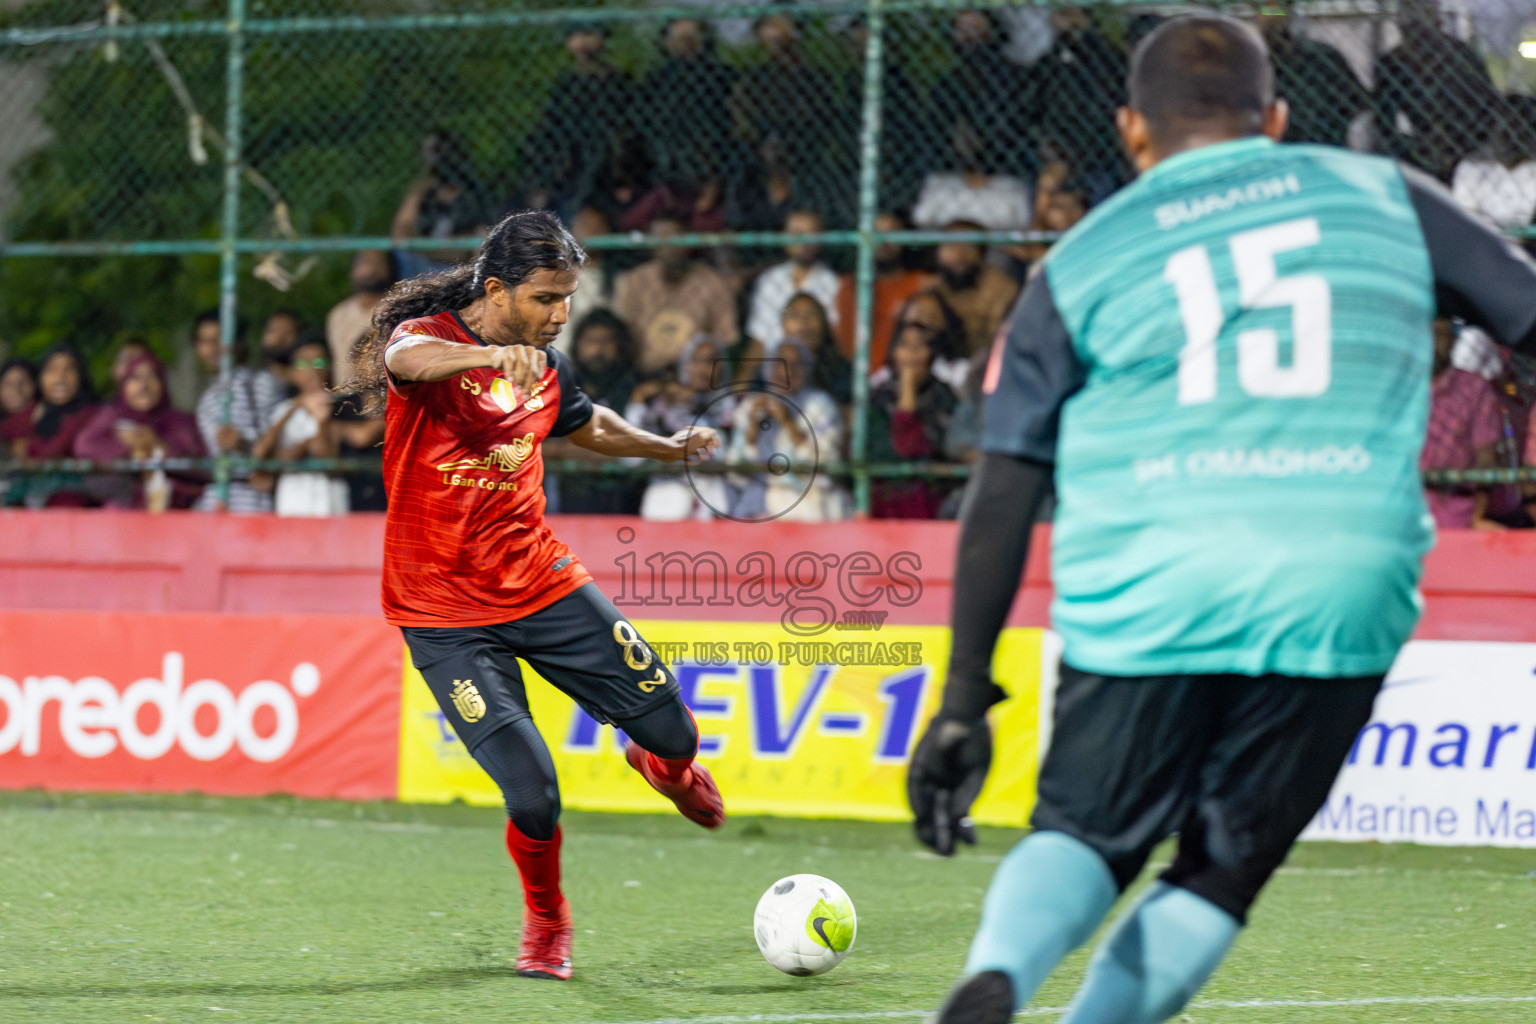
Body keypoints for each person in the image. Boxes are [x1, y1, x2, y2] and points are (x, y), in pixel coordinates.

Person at [908, 16, 1536, 1024]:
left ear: (1130, 131)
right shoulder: (1388, 197)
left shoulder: (1078, 263)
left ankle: (998, 975)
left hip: (1153, 587)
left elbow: (1004, 488)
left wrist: (961, 699)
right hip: (1341, 584)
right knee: (1216, 873)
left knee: (1083, 835)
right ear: (1276, 119)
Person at [344, 210, 725, 982]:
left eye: (568, 300)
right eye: (546, 298)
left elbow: (586, 426)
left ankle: (663, 767)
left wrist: (665, 446)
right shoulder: (428, 340)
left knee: (675, 734)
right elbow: (411, 357)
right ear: (496, 290)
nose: (560, 315)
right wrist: (481, 360)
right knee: (533, 794)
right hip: (444, 616)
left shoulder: (546, 364)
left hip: (542, 585)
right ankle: (548, 921)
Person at [726, 337, 849, 521]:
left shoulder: (820, 405)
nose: (787, 370)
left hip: (810, 499)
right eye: (779, 362)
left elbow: (826, 472)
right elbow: (735, 474)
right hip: (759, 499)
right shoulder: (751, 405)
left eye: (797, 364)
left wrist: (788, 423)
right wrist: (751, 432)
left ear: (806, 370)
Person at [522, 22, 635, 219]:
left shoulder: (619, 83)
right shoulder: (566, 86)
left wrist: (623, 177)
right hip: (571, 170)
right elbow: (549, 132)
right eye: (576, 36)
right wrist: (543, 182)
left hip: (606, 170)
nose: (582, 42)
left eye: (588, 34)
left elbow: (628, 132)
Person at [74, 351, 206, 510]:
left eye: (152, 377)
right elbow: (83, 446)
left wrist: (159, 446)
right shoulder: (112, 417)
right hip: (120, 513)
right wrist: (130, 448)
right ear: (124, 386)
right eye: (135, 378)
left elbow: (202, 472)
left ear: (162, 383)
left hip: (175, 513)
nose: (144, 386)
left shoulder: (181, 423)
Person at [611, 212, 739, 376]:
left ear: (689, 240)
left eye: (676, 237)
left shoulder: (712, 283)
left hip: (696, 377)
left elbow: (726, 340)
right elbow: (620, 337)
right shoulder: (634, 282)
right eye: (661, 238)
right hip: (641, 373)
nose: (669, 246)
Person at [545, 310, 644, 515]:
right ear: (578, 345)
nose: (599, 349)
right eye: (591, 341)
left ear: (620, 346)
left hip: (622, 495)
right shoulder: (561, 385)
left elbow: (634, 451)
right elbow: (539, 447)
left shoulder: (634, 388)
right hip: (569, 492)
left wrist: (571, 449)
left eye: (607, 341)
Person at [627, 334, 736, 520]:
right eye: (696, 361)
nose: (703, 368)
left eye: (711, 362)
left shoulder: (731, 407)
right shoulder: (662, 405)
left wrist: (694, 405)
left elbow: (724, 454)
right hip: (666, 487)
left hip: (712, 490)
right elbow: (631, 457)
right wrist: (639, 400)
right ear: (685, 365)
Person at [867, 308, 959, 519]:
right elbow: (882, 451)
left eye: (919, 347)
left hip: (930, 496)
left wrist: (908, 393)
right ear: (893, 353)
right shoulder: (878, 398)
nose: (910, 356)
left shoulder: (943, 397)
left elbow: (916, 449)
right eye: (904, 346)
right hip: (886, 495)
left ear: (931, 354)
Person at [190, 310, 285, 514]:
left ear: (238, 342)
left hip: (257, 499)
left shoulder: (261, 383)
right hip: (222, 500)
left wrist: (243, 444)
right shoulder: (207, 400)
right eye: (205, 341)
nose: (214, 348)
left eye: (220, 339)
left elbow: (279, 442)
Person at [1422, 319, 1505, 529]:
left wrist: (1477, 516)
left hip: (1454, 520)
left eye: (1440, 333)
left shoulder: (1473, 388)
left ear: (1453, 339)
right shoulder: (1393, 385)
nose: (1433, 342)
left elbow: (1486, 457)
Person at [251, 341, 348, 518]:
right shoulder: (284, 409)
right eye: (304, 364)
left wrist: (320, 422)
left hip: (329, 501)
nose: (313, 370)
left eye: (320, 363)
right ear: (292, 373)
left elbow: (323, 454)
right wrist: (296, 406)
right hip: (293, 500)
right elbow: (260, 453)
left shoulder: (342, 406)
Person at [1, 344, 99, 508]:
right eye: (52, 370)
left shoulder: (90, 413)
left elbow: (52, 451)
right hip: (33, 508)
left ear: (80, 376)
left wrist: (26, 449)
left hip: (75, 506)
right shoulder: (37, 412)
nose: (60, 377)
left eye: (69, 370)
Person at [392, 130, 493, 275]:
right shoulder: (425, 193)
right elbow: (401, 234)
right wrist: (420, 188)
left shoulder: (472, 195)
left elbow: (475, 240)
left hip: (458, 269)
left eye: (435, 151)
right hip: (421, 263)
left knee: (482, 240)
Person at [744, 209, 841, 354]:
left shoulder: (833, 284)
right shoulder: (769, 280)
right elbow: (759, 340)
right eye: (796, 233)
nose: (803, 241)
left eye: (811, 234)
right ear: (783, 237)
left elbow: (834, 339)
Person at [932, 221, 1020, 356]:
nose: (959, 255)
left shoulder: (1001, 288)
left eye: (968, 247)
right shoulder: (928, 288)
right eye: (951, 246)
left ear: (982, 253)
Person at [327, 251, 398, 386]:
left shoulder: (397, 309)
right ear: (352, 270)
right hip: (345, 396)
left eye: (378, 262)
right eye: (364, 262)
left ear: (390, 268)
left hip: (382, 395)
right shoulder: (338, 313)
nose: (371, 268)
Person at [779, 292, 852, 407]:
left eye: (811, 315)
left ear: (823, 324)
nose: (803, 322)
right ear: (783, 326)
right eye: (795, 315)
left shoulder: (840, 369)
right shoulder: (772, 366)